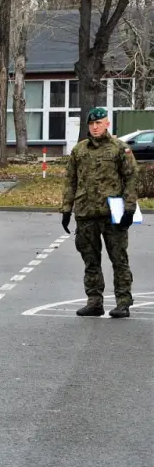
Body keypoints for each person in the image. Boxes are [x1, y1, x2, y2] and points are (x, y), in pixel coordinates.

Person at [60, 107, 139, 318]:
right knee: (90, 261)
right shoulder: (79, 150)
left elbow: (131, 178)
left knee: (119, 259)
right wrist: (66, 209)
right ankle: (94, 301)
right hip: (86, 213)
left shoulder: (120, 149)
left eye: (99, 123)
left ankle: (123, 302)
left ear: (107, 124)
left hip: (113, 212)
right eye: (92, 124)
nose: (95, 127)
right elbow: (70, 181)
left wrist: (129, 208)